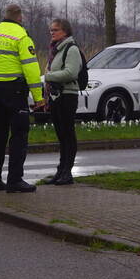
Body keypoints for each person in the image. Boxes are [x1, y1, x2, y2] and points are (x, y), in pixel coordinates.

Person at [0, 4, 44, 193]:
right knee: (19, 135)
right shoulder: (21, 36)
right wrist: (38, 97)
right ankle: (15, 181)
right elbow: (31, 68)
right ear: (20, 18)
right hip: (15, 92)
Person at [44, 18, 82, 185]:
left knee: (68, 134)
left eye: (56, 30)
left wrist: (49, 76)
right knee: (61, 135)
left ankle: (67, 172)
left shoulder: (71, 49)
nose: (52, 32)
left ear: (65, 32)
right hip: (55, 96)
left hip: (67, 95)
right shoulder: (56, 50)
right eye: (51, 30)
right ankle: (61, 170)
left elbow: (71, 73)